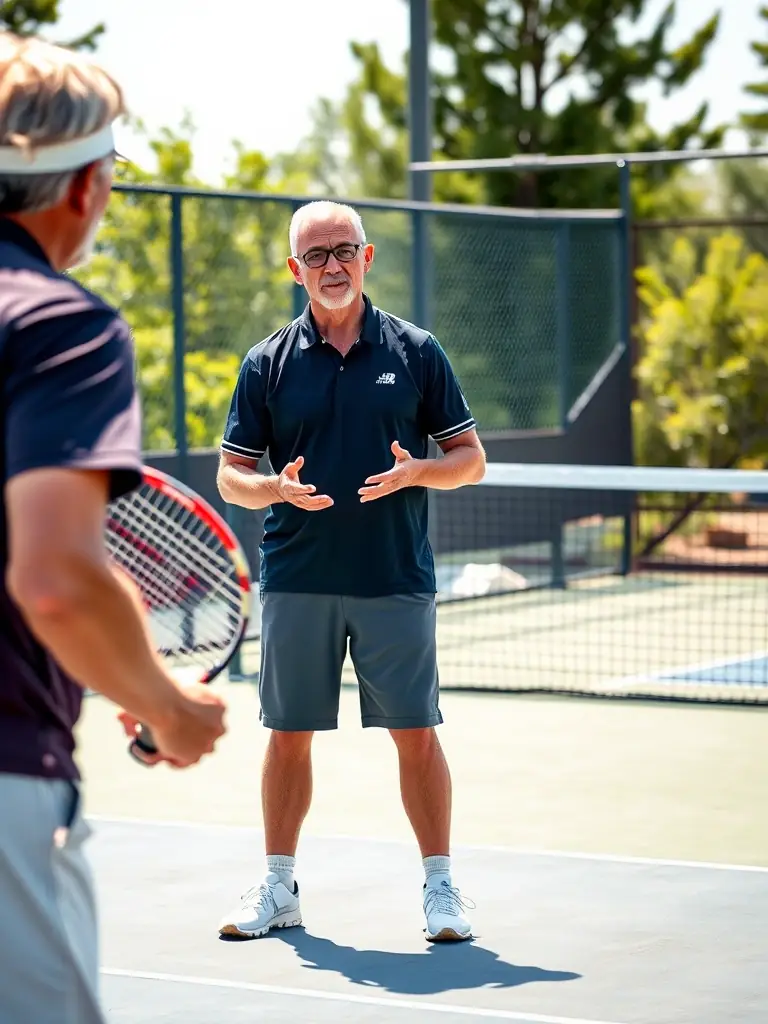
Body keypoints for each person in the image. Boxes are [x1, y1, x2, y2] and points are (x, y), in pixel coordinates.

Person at [0, 32, 227, 1024]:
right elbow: (55, 580)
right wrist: (166, 706)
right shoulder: (60, 324)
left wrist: (127, 674)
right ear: (87, 186)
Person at [217, 199, 486, 942]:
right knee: (287, 735)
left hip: (393, 576)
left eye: (344, 251)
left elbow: (470, 461)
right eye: (316, 255)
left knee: (416, 733)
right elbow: (231, 477)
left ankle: (441, 889)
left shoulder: (417, 352)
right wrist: (273, 489)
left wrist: (419, 472)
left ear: (366, 258)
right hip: (297, 577)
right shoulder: (266, 363)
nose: (332, 266)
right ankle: (279, 889)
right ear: (294, 269)